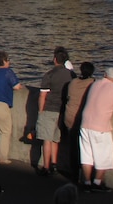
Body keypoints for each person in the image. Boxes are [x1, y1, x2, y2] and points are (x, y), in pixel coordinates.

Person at [79, 67, 113, 192]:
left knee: (86, 156)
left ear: (105, 75)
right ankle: (97, 183)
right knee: (103, 156)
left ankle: (86, 182)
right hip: (100, 126)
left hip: (85, 123)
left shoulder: (95, 84)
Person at [37, 47, 74, 175]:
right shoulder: (71, 75)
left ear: (54, 60)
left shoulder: (49, 75)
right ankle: (54, 164)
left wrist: (40, 111)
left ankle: (46, 167)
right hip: (62, 110)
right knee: (55, 139)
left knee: (47, 139)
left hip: (50, 108)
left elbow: (42, 96)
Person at [63, 61, 96, 183]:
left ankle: (74, 174)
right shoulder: (92, 83)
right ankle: (88, 176)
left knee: (73, 147)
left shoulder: (73, 83)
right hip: (82, 119)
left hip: (70, 117)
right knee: (86, 149)